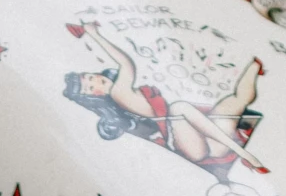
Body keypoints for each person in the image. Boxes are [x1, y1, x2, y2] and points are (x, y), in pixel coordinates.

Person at [64, 26, 267, 174]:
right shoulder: (119, 92)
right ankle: (245, 154)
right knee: (179, 108)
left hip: (205, 140)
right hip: (188, 144)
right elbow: (126, 63)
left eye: (90, 77)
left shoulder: (120, 92)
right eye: (91, 87)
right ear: (95, 96)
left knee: (236, 100)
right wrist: (94, 34)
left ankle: (256, 66)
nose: (96, 80)